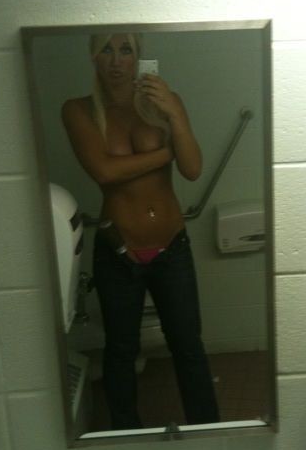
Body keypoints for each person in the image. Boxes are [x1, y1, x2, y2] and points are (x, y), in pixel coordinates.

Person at [62, 33, 219, 429]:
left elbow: (192, 169)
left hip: (172, 247)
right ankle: (125, 436)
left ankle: (209, 430)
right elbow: (104, 172)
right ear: (93, 56)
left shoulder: (163, 103)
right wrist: (166, 152)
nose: (117, 60)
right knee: (120, 350)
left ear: (138, 57)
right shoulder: (78, 110)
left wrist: (175, 115)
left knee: (188, 346)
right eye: (107, 50)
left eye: (126, 50)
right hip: (118, 250)